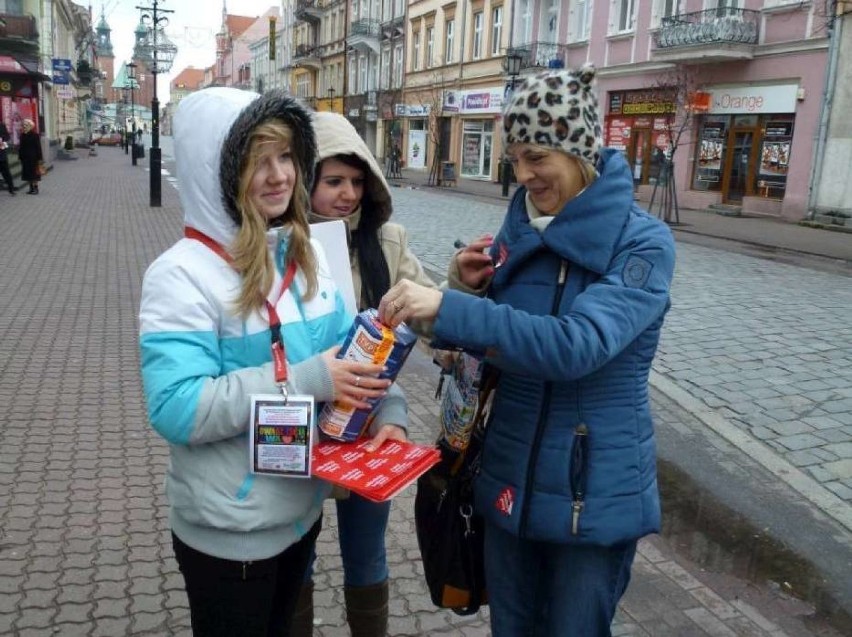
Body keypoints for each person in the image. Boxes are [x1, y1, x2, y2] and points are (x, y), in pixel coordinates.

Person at [376, 66, 676, 636]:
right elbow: (487, 350)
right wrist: (470, 288)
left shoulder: (642, 242)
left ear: (579, 150)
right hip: (509, 476)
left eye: (536, 156)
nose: (522, 174)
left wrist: (448, 306)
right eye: (514, 157)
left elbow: (576, 347)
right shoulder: (521, 229)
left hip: (591, 495)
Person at [139, 88, 403, 637]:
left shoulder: (302, 255)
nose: (280, 175)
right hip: (229, 531)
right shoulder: (181, 275)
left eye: (287, 156)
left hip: (299, 515)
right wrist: (306, 379)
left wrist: (388, 412)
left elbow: (350, 345)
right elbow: (178, 408)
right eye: (260, 160)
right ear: (220, 169)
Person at [291, 110, 437, 637]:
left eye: (357, 181)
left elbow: (432, 321)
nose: (348, 193)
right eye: (333, 181)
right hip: (301, 423)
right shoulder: (277, 245)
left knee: (368, 556)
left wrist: (462, 293)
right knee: (296, 558)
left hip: (371, 427)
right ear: (305, 180)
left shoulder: (387, 241)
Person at [17, 119, 42, 195]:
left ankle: (36, 189)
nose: (24, 126)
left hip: (33, 157)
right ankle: (31, 188)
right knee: (28, 174)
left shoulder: (35, 135)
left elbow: (38, 147)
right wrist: (20, 156)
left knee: (34, 174)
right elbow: (21, 147)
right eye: (23, 125)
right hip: (25, 157)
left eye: (26, 125)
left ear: (31, 126)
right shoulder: (22, 135)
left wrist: (39, 158)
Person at [0, 122, 16, 195]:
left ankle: (11, 189)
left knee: (6, 173)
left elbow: (7, 136)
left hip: (1, 153)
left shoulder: (2, 125)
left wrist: (2, 139)